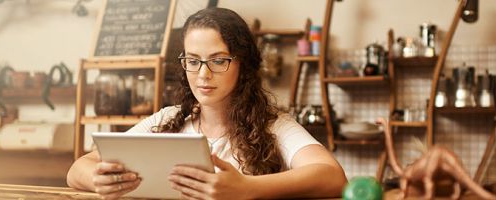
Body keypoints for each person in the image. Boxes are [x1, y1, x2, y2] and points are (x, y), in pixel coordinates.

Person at [66, 7, 347, 199]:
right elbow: (78, 169)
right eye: (193, 60)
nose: (203, 74)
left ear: (243, 64)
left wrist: (247, 188)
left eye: (218, 60)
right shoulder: (167, 120)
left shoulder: (273, 125)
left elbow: (332, 176)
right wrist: (99, 180)